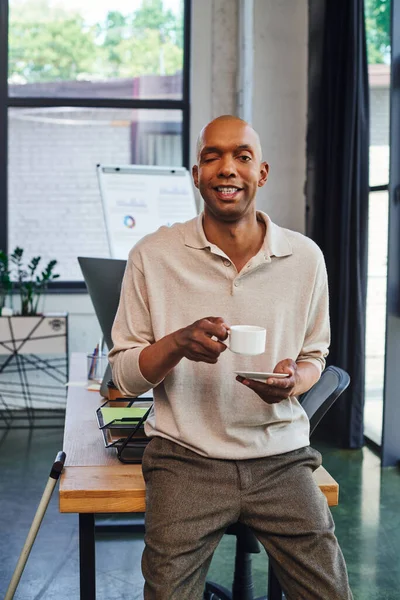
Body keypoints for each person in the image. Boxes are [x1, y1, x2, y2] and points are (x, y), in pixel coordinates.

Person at [108, 115, 353, 600]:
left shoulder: (305, 258)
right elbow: (123, 377)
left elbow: (314, 356)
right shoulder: (152, 256)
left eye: (241, 156)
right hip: (185, 459)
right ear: (195, 172)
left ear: (261, 173)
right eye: (211, 156)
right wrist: (177, 344)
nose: (226, 169)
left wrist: (294, 380)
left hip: (280, 456)